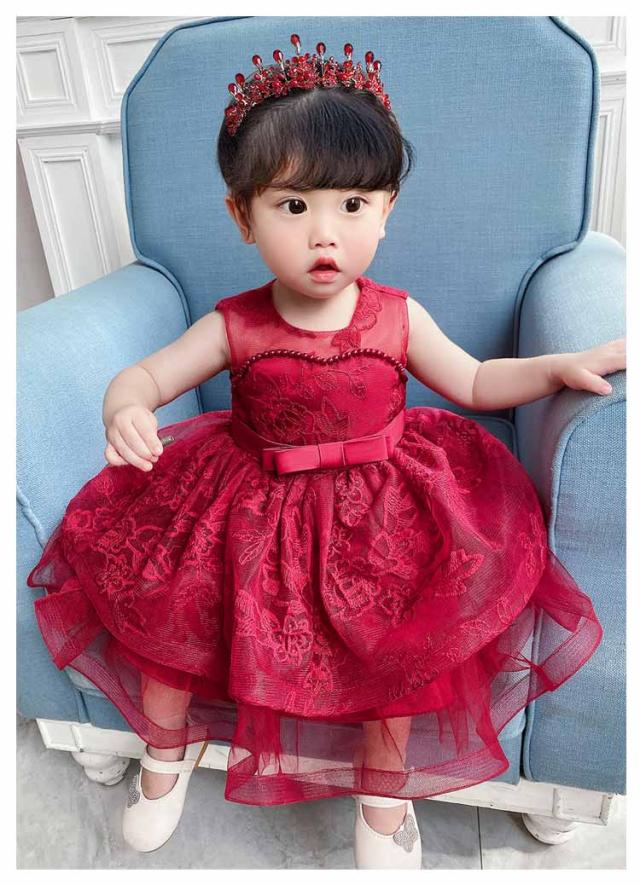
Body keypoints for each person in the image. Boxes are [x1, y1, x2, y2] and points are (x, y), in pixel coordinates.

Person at [26, 32, 625, 869]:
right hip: (247, 498)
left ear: (386, 209)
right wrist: (123, 403)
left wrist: (556, 366)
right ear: (243, 216)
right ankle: (165, 753)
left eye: (351, 205)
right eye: (293, 206)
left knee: (402, 641)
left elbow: (476, 379)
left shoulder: (398, 316)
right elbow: (148, 375)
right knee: (170, 605)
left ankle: (385, 796)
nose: (324, 234)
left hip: (383, 504)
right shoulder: (233, 323)